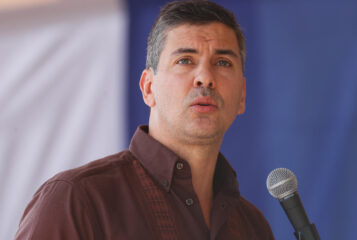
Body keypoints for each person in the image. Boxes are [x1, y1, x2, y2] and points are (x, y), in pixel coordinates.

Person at [15, 1, 274, 239]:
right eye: (185, 60)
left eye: (223, 62)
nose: (205, 77)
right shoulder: (78, 200)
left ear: (242, 95)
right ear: (148, 88)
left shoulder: (253, 226)